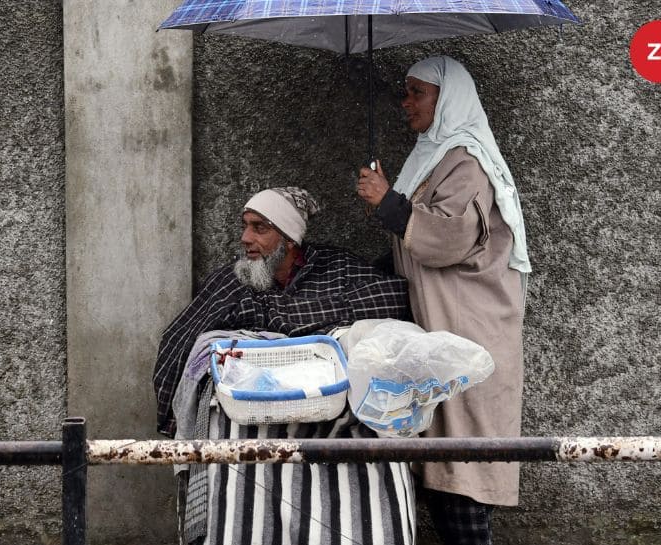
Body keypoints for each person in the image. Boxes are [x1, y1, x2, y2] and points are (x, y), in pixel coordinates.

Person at [152, 187, 416, 545]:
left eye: (259, 228)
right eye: (245, 226)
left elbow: (395, 295)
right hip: (252, 422)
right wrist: (169, 418)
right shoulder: (232, 281)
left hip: (327, 418)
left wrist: (285, 318)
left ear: (289, 239)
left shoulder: (335, 268)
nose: (246, 238)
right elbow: (177, 340)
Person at [355, 56, 531, 545]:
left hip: (471, 331)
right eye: (404, 92)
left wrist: (389, 201)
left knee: (464, 471)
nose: (405, 102)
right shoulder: (434, 155)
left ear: (447, 98)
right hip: (444, 328)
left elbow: (449, 237)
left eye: (417, 92)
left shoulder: (466, 161)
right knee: (443, 469)